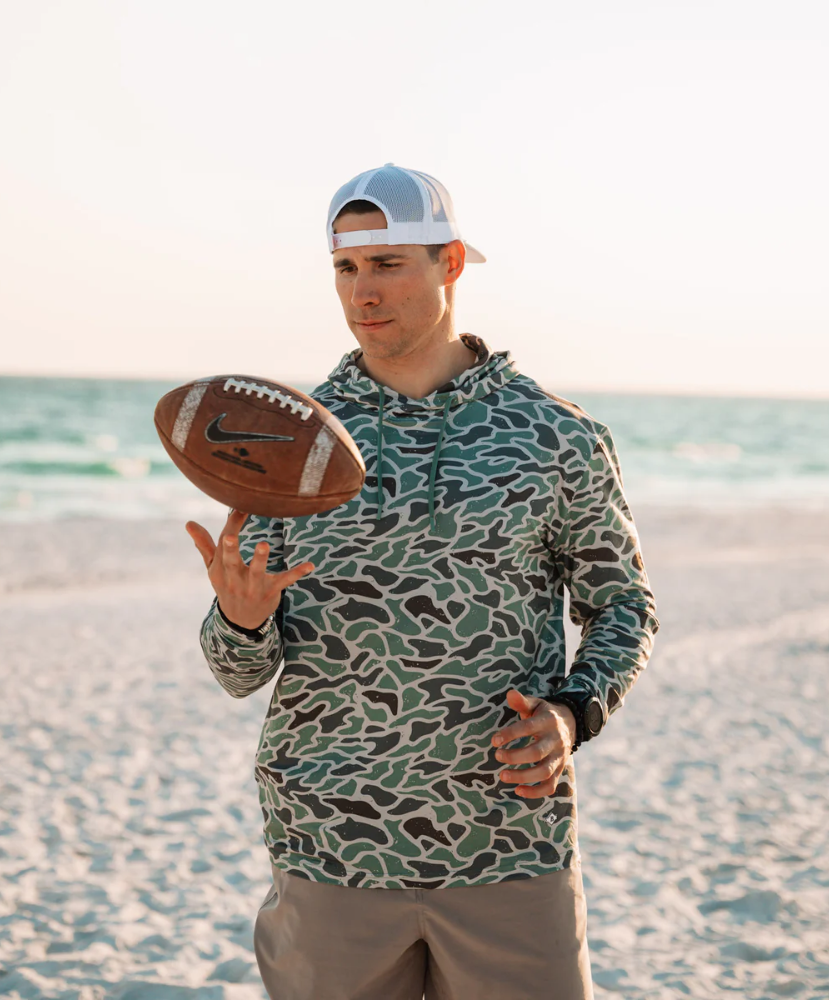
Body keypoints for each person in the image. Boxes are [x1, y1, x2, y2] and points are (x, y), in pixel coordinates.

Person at [185, 163, 660, 1000]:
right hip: (330, 842)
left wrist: (572, 711)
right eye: (345, 268)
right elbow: (235, 672)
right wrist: (241, 619)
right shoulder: (292, 440)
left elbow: (621, 604)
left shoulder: (554, 435)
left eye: (387, 264)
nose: (362, 292)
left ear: (449, 265)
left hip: (506, 842)